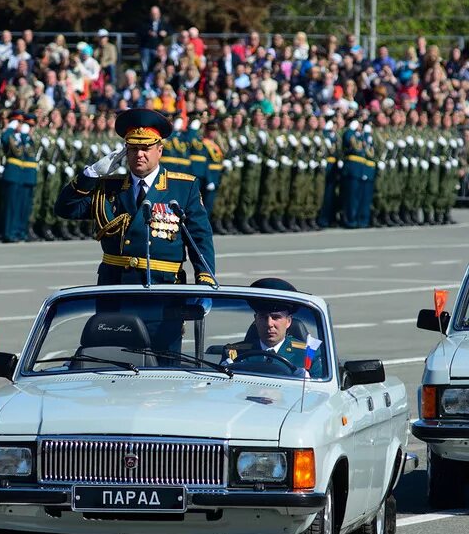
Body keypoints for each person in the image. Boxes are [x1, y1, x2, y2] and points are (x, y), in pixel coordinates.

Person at [53, 108, 215, 286]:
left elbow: (200, 238)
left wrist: (205, 280)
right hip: (115, 286)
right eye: (133, 148)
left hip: (164, 287)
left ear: (159, 150)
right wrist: (90, 174)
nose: (139, 154)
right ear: (125, 151)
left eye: (146, 148)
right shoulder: (110, 188)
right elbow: (65, 208)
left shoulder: (182, 188)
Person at [222, 278, 323, 378]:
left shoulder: (309, 353)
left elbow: (322, 391)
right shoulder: (234, 352)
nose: (269, 323)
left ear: (288, 321)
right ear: (256, 320)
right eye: (263, 317)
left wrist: (308, 382)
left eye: (276, 317)